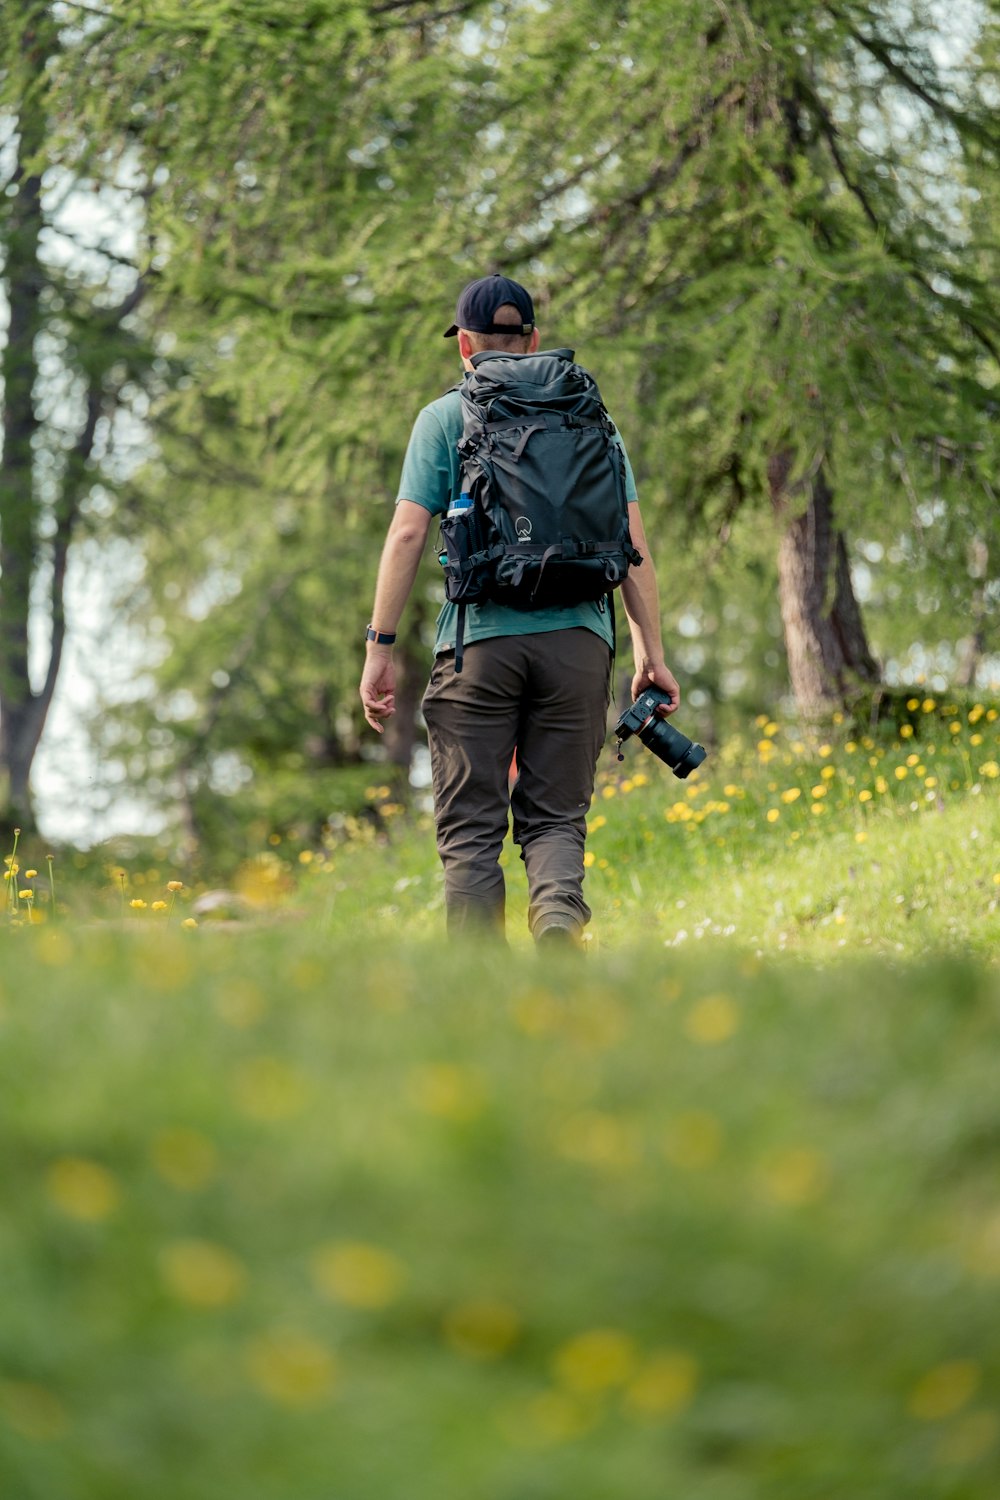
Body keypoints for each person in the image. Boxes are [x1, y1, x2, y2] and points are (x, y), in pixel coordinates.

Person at [359, 273, 680, 945]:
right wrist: (650, 650)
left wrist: (379, 648)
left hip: (478, 646)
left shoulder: (445, 417)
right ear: (533, 338)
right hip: (580, 642)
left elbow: (408, 534)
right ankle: (558, 919)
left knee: (472, 826)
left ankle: (479, 985)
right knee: (556, 818)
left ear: (465, 347)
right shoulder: (593, 416)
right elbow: (634, 543)